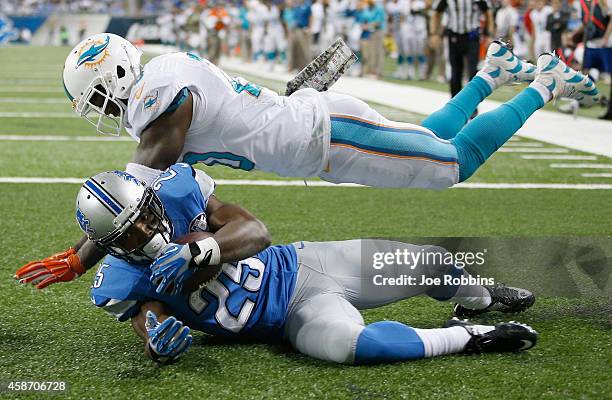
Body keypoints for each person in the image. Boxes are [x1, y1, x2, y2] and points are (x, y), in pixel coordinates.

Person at [22, 164, 538, 365]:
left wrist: (205, 249)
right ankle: (474, 337)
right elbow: (148, 318)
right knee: (353, 346)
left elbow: (256, 230)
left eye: (144, 217)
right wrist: (157, 340)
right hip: (291, 320)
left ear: (153, 199)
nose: (146, 232)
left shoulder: (181, 194)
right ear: (111, 246)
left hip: (307, 264)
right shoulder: (122, 278)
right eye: (129, 234)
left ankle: (481, 300)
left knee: (433, 265)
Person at [429, 0, 494, 98]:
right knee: (455, 72)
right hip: (454, 36)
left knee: (473, 72)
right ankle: (455, 103)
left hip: (472, 36)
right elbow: (436, 12)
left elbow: (488, 13)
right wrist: (434, 33)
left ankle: (472, 104)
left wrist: (489, 34)